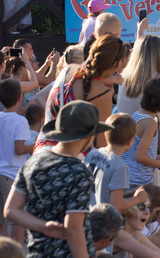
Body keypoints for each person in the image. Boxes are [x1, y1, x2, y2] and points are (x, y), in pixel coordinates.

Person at [4, 101, 113, 257]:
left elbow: (10, 210)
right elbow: (73, 228)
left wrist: (43, 227)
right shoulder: (80, 172)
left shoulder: (34, 161)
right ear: (88, 137)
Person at [84, 113, 148, 209]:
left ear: (105, 134)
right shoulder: (120, 167)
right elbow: (116, 205)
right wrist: (138, 199)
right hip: (104, 220)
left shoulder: (91, 154)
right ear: (130, 140)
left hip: (86, 216)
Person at [121, 77, 160, 188]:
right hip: (137, 180)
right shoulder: (150, 123)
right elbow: (139, 157)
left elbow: (137, 147)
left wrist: (154, 156)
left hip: (128, 176)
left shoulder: (138, 114)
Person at [0, 79, 32, 242]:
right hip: (12, 175)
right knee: (17, 220)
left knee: (1, 222)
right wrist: (35, 146)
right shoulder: (20, 121)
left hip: (0, 173)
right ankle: (16, 252)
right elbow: (19, 149)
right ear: (20, 97)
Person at [117, 35, 160, 116]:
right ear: (159, 53)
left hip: (124, 125)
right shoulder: (158, 79)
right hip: (145, 127)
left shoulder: (124, 75)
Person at [112, 193, 160, 258]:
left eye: (149, 207)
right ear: (128, 210)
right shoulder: (119, 234)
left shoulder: (136, 234)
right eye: (141, 207)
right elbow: (154, 256)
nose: (147, 212)